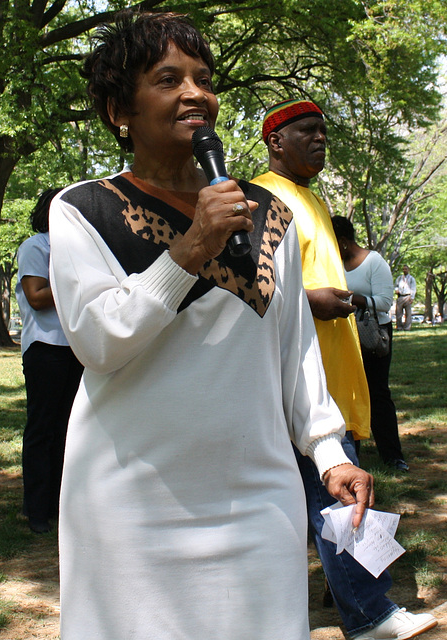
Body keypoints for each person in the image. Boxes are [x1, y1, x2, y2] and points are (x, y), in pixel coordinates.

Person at [48, 12, 374, 640]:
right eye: (167, 79)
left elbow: (294, 353)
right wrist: (191, 246)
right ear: (121, 109)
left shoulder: (267, 212)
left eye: (202, 78)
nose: (195, 92)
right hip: (129, 505)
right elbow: (98, 342)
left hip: (258, 499)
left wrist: (330, 452)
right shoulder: (82, 209)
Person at [252, 99, 437, 640]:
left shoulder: (311, 198)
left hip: (339, 375)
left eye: (323, 132)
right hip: (306, 385)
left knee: (334, 496)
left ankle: (347, 593)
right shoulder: (266, 195)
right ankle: (370, 614)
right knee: (338, 492)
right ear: (275, 142)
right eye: (305, 131)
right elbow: (252, 286)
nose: (319, 139)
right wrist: (311, 301)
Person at [16, 189, 84, 534]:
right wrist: (76, 284)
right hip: (45, 348)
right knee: (43, 427)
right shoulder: (36, 246)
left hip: (76, 346)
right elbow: (37, 296)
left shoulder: (77, 249)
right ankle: (36, 509)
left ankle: (60, 504)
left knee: (69, 429)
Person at [331, 215, 409, 473]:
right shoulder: (334, 263)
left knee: (377, 393)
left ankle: (392, 456)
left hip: (373, 335)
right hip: (346, 333)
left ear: (343, 241)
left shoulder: (374, 262)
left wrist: (354, 299)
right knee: (349, 394)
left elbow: (386, 302)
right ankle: (354, 456)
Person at [395, 265, 416, 330]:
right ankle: (399, 327)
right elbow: (396, 285)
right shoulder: (399, 278)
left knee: (408, 313)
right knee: (398, 313)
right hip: (400, 296)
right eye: (403, 269)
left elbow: (413, 288)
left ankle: (407, 327)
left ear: (408, 270)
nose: (404, 270)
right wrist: (396, 289)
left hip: (408, 296)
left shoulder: (411, 278)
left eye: (406, 269)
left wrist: (412, 297)